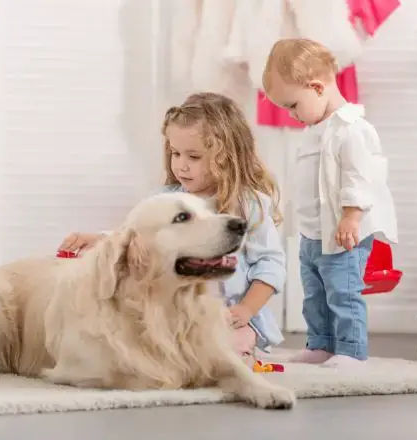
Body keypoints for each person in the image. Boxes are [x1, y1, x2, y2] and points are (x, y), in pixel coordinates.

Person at [58, 92, 287, 359]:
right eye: (175, 153)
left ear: (227, 157)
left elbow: (270, 264)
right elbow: (140, 235)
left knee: (226, 347)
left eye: (193, 156)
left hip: (231, 315)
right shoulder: (167, 200)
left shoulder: (251, 205)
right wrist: (99, 238)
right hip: (179, 313)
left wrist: (247, 309)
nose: (181, 166)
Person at [262, 38, 398, 366]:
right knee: (315, 295)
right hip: (313, 234)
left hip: (342, 234)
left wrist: (352, 217)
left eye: (293, 105)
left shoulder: (352, 129)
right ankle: (321, 344)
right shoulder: (315, 128)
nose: (292, 116)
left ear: (317, 87)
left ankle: (351, 349)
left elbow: (360, 176)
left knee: (343, 292)